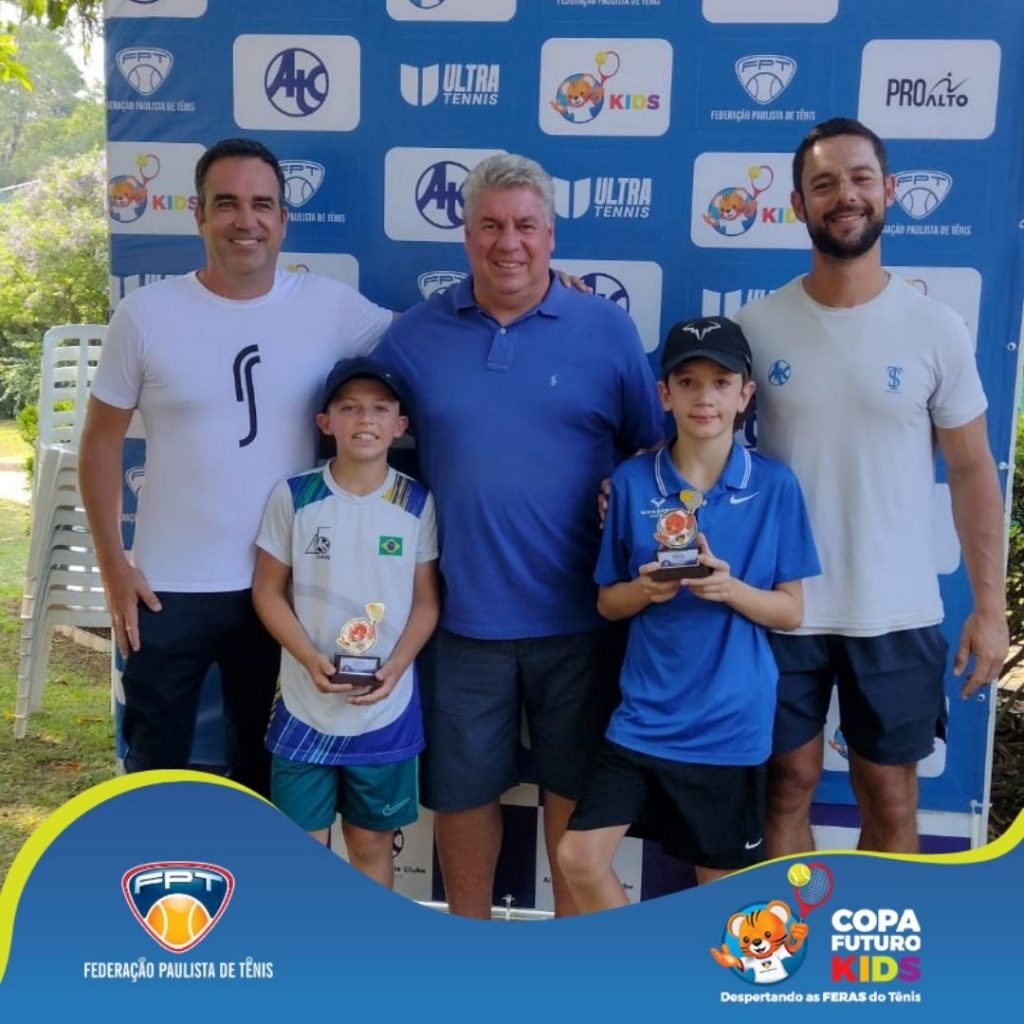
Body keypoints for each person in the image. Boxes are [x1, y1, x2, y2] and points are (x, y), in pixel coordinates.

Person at [372, 153, 664, 917]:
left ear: (552, 235)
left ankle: (565, 967)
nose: (509, 243)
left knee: (574, 798)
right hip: (459, 619)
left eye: (526, 226)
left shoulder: (607, 329)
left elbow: (653, 453)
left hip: (583, 619)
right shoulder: (412, 337)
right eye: (491, 225)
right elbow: (361, 444)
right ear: (466, 234)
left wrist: (630, 492)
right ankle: (472, 956)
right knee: (463, 797)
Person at [79, 138, 394, 796]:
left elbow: (437, 337)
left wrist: (537, 291)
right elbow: (101, 444)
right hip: (164, 588)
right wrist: (114, 567)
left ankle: (251, 867)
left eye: (261, 204)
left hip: (280, 589)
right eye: (226, 204)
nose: (245, 220)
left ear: (283, 219)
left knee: (264, 774)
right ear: (197, 213)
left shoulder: (329, 307)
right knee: (153, 773)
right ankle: (153, 866)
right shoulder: (145, 315)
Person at [732, 117, 1009, 855]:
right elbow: (703, 447)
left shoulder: (935, 327)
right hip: (784, 604)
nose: (844, 195)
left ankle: (876, 935)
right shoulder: (755, 326)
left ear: (888, 190)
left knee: (889, 796)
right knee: (785, 784)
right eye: (824, 184)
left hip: (895, 609)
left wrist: (990, 608)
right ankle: (788, 932)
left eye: (860, 179)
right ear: (799, 204)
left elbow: (973, 469)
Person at [557, 317, 819, 911]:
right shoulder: (631, 481)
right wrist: (644, 591)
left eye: (721, 383)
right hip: (643, 716)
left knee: (722, 894)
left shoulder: (776, 486)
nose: (705, 398)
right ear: (664, 394)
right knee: (579, 857)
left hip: (729, 725)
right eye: (688, 382)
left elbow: (790, 612)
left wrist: (730, 590)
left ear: (745, 395)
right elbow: (607, 601)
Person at [251, 357, 439, 886]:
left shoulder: (415, 502)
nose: (365, 419)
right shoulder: (295, 495)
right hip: (303, 708)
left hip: (384, 712)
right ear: (325, 422)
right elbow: (266, 590)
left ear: (400, 426)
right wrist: (308, 658)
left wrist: (397, 666)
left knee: (372, 845)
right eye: (350, 407)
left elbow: (427, 601)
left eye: (380, 408)